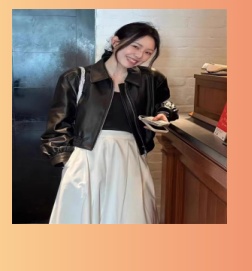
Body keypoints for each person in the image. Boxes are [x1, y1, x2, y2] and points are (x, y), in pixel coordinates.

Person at [41, 22, 178, 224]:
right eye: (135, 46)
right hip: (86, 158)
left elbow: (166, 104)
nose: (139, 55)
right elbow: (57, 126)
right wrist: (68, 162)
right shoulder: (76, 78)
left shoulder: (151, 79)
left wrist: (163, 114)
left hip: (130, 158)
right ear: (116, 41)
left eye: (148, 52)